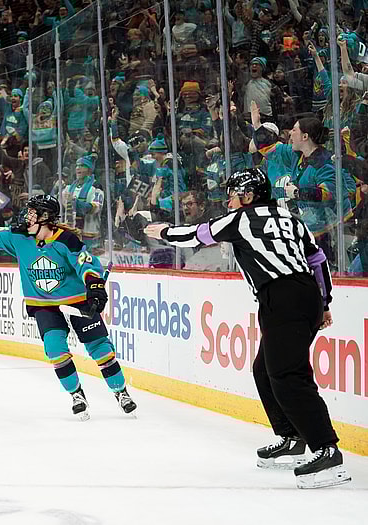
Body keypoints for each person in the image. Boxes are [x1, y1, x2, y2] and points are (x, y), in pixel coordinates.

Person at [144, 168, 351, 489]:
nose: (228, 199)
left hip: (284, 296)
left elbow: (198, 234)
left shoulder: (240, 219)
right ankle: (292, 437)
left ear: (249, 196)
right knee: (265, 369)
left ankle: (327, 450)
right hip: (298, 294)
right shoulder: (290, 219)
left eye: (233, 194)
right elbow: (318, 258)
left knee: (287, 374)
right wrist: (323, 302)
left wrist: (163, 232)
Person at [0, 194, 137, 419]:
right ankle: (76, 394)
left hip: (76, 300)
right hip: (44, 304)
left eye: (32, 213)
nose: (27, 216)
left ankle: (121, 392)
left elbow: (85, 264)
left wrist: (95, 286)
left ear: (45, 217)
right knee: (54, 349)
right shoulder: (19, 237)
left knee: (99, 348)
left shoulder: (66, 240)